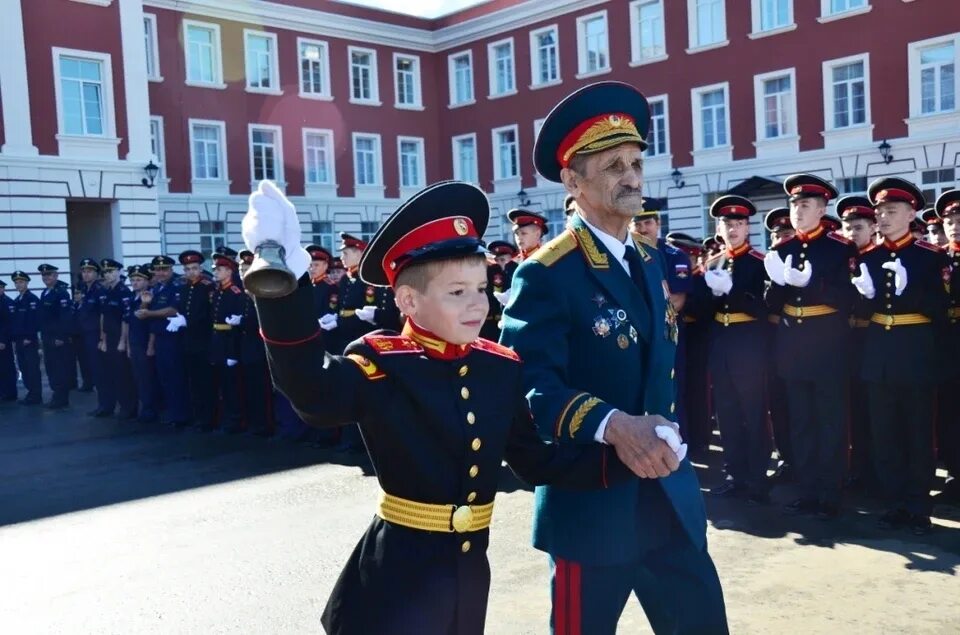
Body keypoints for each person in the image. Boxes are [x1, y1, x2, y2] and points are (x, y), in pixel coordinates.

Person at [241, 179, 652, 635]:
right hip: (392, 584)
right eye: (457, 292)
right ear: (409, 301)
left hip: (467, 578)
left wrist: (629, 457)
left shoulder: (498, 367)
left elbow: (534, 460)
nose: (477, 304)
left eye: (481, 288)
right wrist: (281, 287)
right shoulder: (384, 363)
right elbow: (312, 391)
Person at [502, 81, 726, 635]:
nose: (630, 176)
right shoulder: (547, 272)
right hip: (593, 506)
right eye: (611, 166)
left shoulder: (649, 259)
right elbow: (528, 385)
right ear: (573, 182)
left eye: (634, 162)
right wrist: (614, 425)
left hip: (668, 498)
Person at [851, 177, 948, 535]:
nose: (884, 217)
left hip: (916, 353)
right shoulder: (869, 257)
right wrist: (863, 295)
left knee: (917, 432)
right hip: (879, 353)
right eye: (880, 212)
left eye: (892, 211)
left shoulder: (931, 257)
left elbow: (943, 308)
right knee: (885, 432)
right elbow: (859, 308)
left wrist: (912, 294)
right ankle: (893, 502)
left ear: (911, 214)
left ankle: (918, 504)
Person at [765, 174, 857, 520]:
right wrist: (775, 283)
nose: (797, 210)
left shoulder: (839, 248)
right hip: (793, 346)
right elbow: (773, 304)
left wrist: (812, 284)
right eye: (794, 204)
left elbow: (849, 299)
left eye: (805, 204)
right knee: (800, 422)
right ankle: (808, 489)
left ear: (821, 208)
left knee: (829, 421)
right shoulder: (782, 250)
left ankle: (830, 492)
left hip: (827, 345)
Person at [692, 195, 772, 504]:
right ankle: (734, 473)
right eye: (727, 223)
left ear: (747, 227)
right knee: (726, 413)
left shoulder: (758, 262)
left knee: (753, 413)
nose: (733, 228)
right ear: (718, 227)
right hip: (721, 345)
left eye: (739, 223)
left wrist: (733, 293)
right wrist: (711, 294)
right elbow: (699, 311)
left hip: (749, 347)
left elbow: (765, 309)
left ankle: (757, 477)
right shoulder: (713, 263)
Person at [324, 232, 402, 452]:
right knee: (350, 390)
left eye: (348, 253)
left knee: (366, 391)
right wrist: (336, 319)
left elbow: (386, 312)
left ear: (360, 253)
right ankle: (352, 439)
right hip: (345, 338)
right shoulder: (347, 280)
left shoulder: (370, 280)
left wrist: (374, 315)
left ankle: (365, 441)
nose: (344, 257)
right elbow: (342, 308)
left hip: (363, 341)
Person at [837, 196, 879, 490]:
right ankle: (857, 468)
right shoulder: (841, 259)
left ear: (872, 229)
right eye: (848, 228)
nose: (852, 234)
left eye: (858, 227)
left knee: (872, 410)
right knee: (851, 409)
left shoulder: (878, 257)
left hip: (872, 340)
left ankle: (874, 471)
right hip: (845, 341)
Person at [136, 255, 191, 428]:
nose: (161, 273)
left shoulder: (176, 285)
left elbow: (173, 310)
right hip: (159, 338)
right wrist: (145, 306)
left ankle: (181, 415)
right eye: (158, 270)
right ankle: (172, 412)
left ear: (171, 270)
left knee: (176, 378)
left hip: (173, 339)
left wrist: (149, 313)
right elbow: (144, 312)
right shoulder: (157, 288)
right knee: (164, 377)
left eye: (164, 269)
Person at [763, 207, 794, 481]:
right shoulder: (770, 262)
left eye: (787, 234)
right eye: (777, 235)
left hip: (799, 344)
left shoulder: (800, 261)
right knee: (779, 407)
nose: (782, 239)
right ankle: (786, 458)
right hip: (773, 345)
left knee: (801, 409)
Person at [934, 189, 960, 503]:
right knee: (949, 416)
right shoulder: (939, 257)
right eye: (949, 219)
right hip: (945, 345)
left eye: (959, 218)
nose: (953, 224)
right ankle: (955, 476)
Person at [94, 259, 138, 420]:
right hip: (109, 338)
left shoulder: (123, 292)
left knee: (123, 375)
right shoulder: (107, 292)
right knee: (113, 374)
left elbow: (125, 320)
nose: (108, 275)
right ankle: (122, 405)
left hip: (120, 338)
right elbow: (104, 317)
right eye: (105, 272)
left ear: (119, 272)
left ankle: (129, 407)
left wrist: (122, 341)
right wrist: (103, 339)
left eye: (111, 271)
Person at [207, 254, 245, 433]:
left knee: (232, 386)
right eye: (215, 269)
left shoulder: (235, 292)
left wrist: (233, 353)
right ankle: (226, 418)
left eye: (219, 269)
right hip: (217, 341)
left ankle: (235, 420)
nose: (216, 272)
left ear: (229, 271)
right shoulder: (217, 291)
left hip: (229, 342)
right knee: (221, 383)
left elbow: (236, 327)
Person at [238, 249, 274, 437]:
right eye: (241, 269)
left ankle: (265, 425)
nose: (243, 273)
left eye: (247, 269)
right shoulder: (241, 290)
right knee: (250, 389)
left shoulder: (262, 290)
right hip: (246, 347)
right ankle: (254, 423)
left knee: (263, 390)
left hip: (261, 348)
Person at [177, 250, 215, 427]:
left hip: (203, 340)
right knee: (193, 381)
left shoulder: (207, 286)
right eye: (187, 269)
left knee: (206, 381)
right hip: (188, 341)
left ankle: (208, 418)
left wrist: (188, 321)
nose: (191, 272)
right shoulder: (184, 288)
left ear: (200, 268)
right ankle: (198, 416)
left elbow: (208, 315)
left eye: (194, 268)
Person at [125, 264, 159, 424]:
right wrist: (128, 345)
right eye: (132, 280)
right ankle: (145, 407)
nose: (135, 283)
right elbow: (128, 323)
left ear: (147, 281)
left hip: (146, 342)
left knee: (148, 378)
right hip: (135, 341)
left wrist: (151, 345)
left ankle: (150, 409)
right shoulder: (132, 298)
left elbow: (151, 324)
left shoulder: (150, 298)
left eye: (139, 280)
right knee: (138, 377)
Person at [36, 264, 73, 409]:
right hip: (47, 336)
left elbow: (65, 317)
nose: (46, 278)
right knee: (50, 367)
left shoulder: (61, 293)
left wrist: (60, 336)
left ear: (56, 276)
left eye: (49, 275)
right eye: (44, 275)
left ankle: (61, 397)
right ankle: (56, 394)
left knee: (59, 368)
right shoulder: (45, 292)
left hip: (57, 337)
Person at [11, 272, 42, 405]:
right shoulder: (17, 301)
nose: (19, 284)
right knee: (24, 367)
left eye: (21, 282)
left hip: (29, 341)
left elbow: (35, 321)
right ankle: (30, 393)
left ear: (27, 283)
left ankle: (36, 395)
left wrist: (29, 337)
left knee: (32, 368)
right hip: (19, 340)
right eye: (17, 282)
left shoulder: (32, 299)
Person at [73, 258, 103, 393]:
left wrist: (102, 338)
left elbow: (103, 315)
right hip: (86, 334)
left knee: (100, 368)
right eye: (84, 271)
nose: (86, 274)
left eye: (89, 271)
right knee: (92, 366)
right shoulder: (85, 289)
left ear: (96, 273)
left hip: (96, 334)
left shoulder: (99, 290)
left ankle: (106, 404)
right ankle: (102, 403)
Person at [481, 240, 516, 341]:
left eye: (502, 260)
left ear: (510, 259)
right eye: (496, 260)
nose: (499, 263)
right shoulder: (488, 273)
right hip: (488, 324)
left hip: (507, 323)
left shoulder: (514, 272)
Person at [306, 244, 337, 319]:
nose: (312, 269)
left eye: (316, 265)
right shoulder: (307, 284)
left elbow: (330, 311)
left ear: (325, 266)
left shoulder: (331, 286)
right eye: (310, 265)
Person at [0, 280, 17, 402]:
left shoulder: (7, 302)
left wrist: (3, 341)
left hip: (3, 342)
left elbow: (7, 325)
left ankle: (10, 393)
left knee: (7, 368)